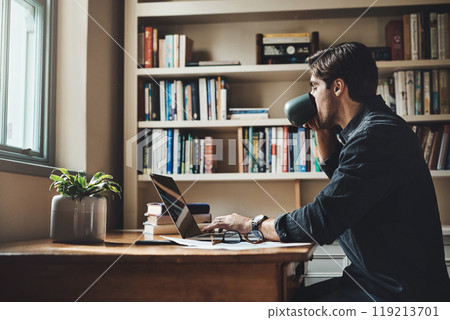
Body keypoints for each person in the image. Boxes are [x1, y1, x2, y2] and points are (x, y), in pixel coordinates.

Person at [203, 42, 450, 302]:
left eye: (314, 86)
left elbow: (322, 219)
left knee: (277, 303)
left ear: (338, 87)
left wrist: (252, 224)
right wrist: (322, 131)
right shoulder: (371, 129)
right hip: (376, 282)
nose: (311, 96)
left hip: (396, 295)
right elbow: (347, 195)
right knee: (287, 298)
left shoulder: (375, 135)